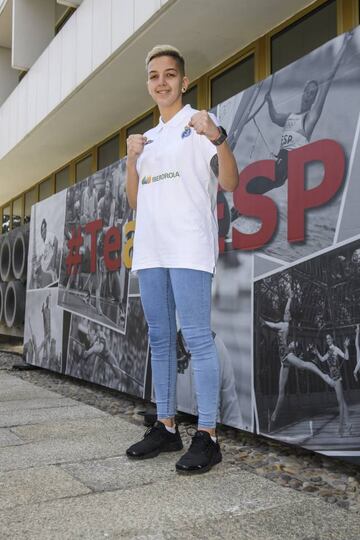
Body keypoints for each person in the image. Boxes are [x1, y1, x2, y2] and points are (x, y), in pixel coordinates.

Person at [125, 45, 238, 473]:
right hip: (152, 250)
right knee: (159, 338)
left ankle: (207, 435)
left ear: (183, 82)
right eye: (154, 75)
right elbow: (135, 200)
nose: (161, 82)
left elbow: (230, 180)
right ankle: (167, 426)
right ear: (149, 84)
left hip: (189, 246)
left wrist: (217, 136)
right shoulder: (147, 139)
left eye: (170, 75)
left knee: (195, 336)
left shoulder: (201, 123)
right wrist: (132, 160)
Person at [246, 32, 352, 195]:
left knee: (272, 180)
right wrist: (269, 102)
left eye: (313, 93)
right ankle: (238, 208)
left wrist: (345, 43)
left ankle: (241, 205)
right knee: (261, 182)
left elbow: (328, 80)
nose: (310, 94)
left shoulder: (311, 117)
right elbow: (274, 118)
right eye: (308, 91)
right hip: (280, 160)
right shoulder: (290, 116)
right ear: (303, 92)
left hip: (290, 163)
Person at [261, 290, 335, 425]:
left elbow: (272, 324)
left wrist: (264, 321)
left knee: (304, 365)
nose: (286, 313)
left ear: (289, 317)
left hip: (287, 357)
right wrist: (289, 298)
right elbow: (285, 313)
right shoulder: (284, 324)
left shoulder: (284, 324)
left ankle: (326, 378)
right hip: (284, 361)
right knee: (281, 391)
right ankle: (274, 416)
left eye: (287, 314)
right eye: (286, 313)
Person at [312, 334, 351, 436]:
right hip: (333, 377)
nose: (327, 340)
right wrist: (317, 352)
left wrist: (346, 347)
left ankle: (341, 428)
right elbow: (322, 359)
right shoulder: (329, 351)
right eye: (326, 338)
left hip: (337, 377)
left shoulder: (336, 349)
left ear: (332, 339)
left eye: (329, 338)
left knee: (340, 403)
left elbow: (346, 357)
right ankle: (349, 424)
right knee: (342, 401)